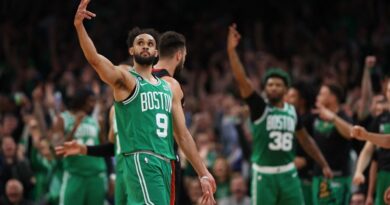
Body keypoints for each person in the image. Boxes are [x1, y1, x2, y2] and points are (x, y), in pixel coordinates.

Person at [72, 0, 216, 204]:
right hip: (142, 158)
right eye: (140, 43)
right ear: (132, 50)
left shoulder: (170, 87)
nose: (146, 46)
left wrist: (203, 173)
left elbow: (182, 135)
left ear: (157, 53)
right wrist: (79, 26)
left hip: (166, 162)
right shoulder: (126, 79)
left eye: (150, 44)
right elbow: (95, 59)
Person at [227, 23, 332, 205]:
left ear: (286, 89)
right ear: (265, 89)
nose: (273, 88)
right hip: (264, 175)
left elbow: (306, 140)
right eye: (270, 85)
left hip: (288, 173)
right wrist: (231, 51)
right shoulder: (260, 107)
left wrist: (323, 163)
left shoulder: (292, 111)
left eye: (278, 85)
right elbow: (242, 80)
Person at [52, 88, 107, 205]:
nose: (92, 105)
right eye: (90, 101)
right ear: (81, 100)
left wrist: (110, 175)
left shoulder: (95, 120)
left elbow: (104, 148)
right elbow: (57, 150)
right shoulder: (63, 119)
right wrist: (74, 127)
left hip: (96, 176)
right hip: (75, 176)